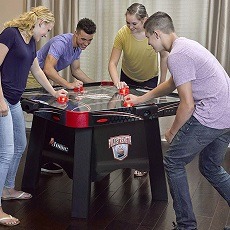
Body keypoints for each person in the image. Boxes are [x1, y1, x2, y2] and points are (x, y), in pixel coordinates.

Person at [124, 11, 230, 230]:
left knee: (173, 162)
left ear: (156, 33)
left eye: (149, 40)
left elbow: (188, 105)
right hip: (227, 116)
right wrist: (141, 98)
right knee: (210, 167)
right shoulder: (186, 46)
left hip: (211, 116)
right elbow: (172, 83)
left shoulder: (177, 55)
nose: (150, 45)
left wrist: (171, 132)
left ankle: (186, 226)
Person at [0, 6, 67, 227]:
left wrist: (55, 92)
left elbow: (37, 71)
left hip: (14, 100)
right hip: (2, 100)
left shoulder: (30, 41)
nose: (46, 34)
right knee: (7, 151)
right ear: (38, 22)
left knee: (20, 144)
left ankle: (8, 188)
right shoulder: (10, 34)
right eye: (46, 29)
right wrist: (0, 100)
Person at [108, 3, 168, 177]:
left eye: (134, 23)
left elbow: (164, 56)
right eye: (128, 23)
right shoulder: (122, 33)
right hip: (126, 79)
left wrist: (162, 83)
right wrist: (117, 82)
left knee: (144, 121)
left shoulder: (154, 33)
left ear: (145, 20)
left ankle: (143, 162)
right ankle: (124, 157)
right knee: (126, 119)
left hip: (149, 80)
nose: (130, 27)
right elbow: (112, 63)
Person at [37, 18, 96, 173]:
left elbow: (76, 70)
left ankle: (48, 158)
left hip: (45, 76)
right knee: (43, 115)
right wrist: (69, 85)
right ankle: (40, 161)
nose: (86, 43)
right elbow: (48, 68)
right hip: (33, 74)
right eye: (83, 39)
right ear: (75, 33)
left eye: (90, 40)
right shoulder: (61, 42)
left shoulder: (79, 47)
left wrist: (95, 84)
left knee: (50, 115)